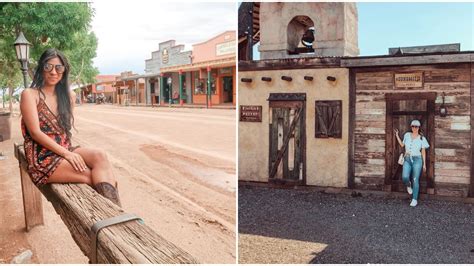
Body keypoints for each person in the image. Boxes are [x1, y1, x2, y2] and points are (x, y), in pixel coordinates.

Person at [20, 48, 121, 206]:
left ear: (64, 70)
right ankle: (115, 219)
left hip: (64, 148)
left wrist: (68, 152)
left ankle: (117, 216)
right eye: (48, 67)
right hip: (42, 157)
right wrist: (67, 154)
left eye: (58, 67)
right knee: (89, 176)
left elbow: (64, 130)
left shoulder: (69, 96)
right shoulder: (30, 94)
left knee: (99, 155)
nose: (54, 72)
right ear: (41, 68)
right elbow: (35, 133)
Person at [394, 120, 429, 207]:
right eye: (413, 126)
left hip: (417, 160)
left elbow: (423, 152)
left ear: (419, 127)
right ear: (411, 126)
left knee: (415, 179)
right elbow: (402, 145)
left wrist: (424, 164)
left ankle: (414, 199)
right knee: (405, 177)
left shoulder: (422, 138)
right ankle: (408, 185)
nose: (414, 128)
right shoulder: (407, 135)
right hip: (407, 159)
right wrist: (397, 135)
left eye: (416, 126)